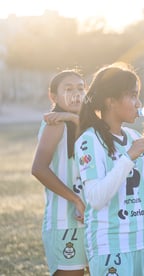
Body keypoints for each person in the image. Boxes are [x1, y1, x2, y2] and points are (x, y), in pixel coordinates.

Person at [74, 63, 144, 276]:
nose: (139, 103)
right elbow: (96, 199)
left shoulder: (133, 137)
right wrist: (128, 157)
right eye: (133, 95)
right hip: (110, 247)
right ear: (111, 101)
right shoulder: (89, 141)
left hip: (141, 244)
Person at [31, 70, 88, 276]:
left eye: (81, 88)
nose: (76, 94)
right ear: (53, 97)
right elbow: (38, 169)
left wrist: (73, 117)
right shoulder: (55, 125)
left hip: (90, 221)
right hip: (64, 222)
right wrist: (75, 199)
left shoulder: (81, 123)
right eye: (68, 89)